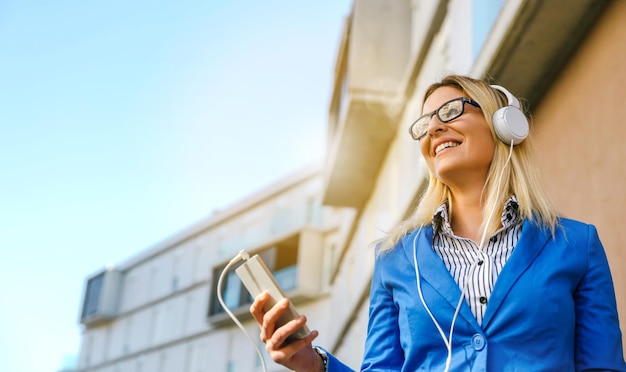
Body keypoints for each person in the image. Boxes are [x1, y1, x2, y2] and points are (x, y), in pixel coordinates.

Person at [250, 74, 626, 371]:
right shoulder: (394, 259)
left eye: (450, 112)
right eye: (426, 123)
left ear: (502, 124)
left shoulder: (577, 244)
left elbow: (603, 367)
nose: (433, 129)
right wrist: (314, 365)